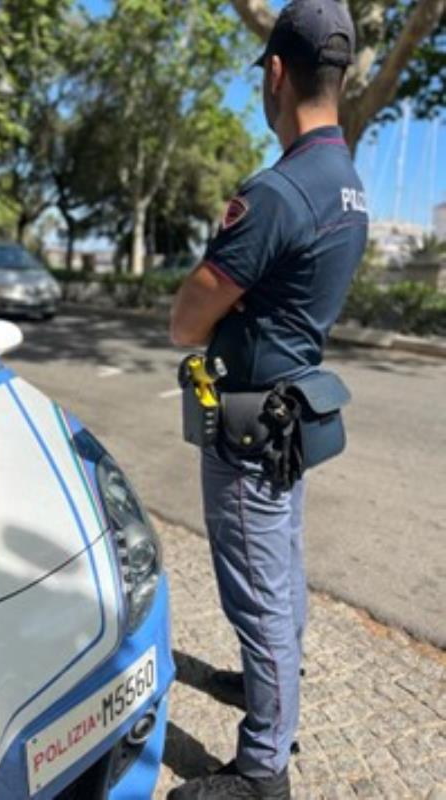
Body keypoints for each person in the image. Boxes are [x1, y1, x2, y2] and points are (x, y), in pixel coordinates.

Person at [168, 1, 369, 798]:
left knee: (257, 592)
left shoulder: (280, 193)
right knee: (279, 574)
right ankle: (267, 690)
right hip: (287, 420)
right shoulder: (347, 183)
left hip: (251, 429)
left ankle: (261, 771)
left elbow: (188, 320)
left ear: (276, 74)